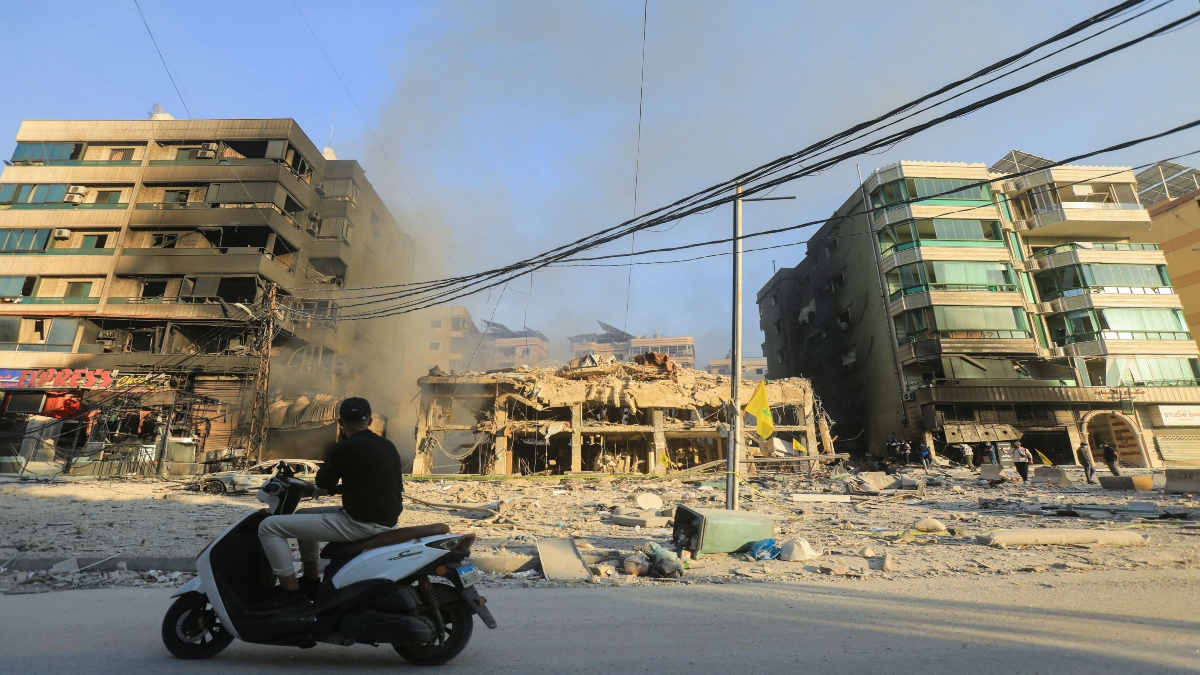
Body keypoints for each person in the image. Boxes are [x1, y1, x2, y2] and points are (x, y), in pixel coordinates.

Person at [255, 398, 405, 611]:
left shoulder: (346, 447)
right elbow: (369, 482)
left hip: (361, 523)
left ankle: (290, 593)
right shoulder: (386, 445)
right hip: (383, 518)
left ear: (340, 423)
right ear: (370, 421)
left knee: (268, 527)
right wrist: (334, 490)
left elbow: (323, 481)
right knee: (301, 515)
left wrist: (338, 447)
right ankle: (311, 580)